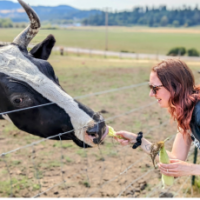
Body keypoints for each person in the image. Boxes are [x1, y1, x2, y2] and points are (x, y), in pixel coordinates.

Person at [115, 59, 200, 177]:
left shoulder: (198, 113)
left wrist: (191, 169)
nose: (151, 94)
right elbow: (175, 159)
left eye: (155, 88)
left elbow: (184, 166)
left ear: (176, 87)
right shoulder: (187, 115)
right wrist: (138, 141)